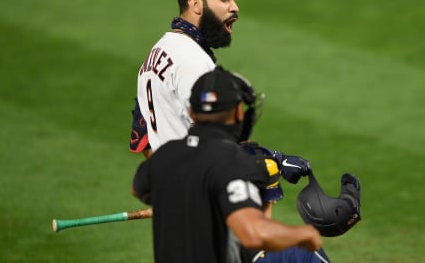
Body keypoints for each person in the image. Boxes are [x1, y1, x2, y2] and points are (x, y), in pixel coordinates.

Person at [132, 67, 323, 263]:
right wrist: (303, 233)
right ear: (239, 112)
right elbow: (253, 233)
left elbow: (138, 190)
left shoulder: (166, 155)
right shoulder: (234, 162)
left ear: (191, 112)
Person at [130, 0, 239, 158]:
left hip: (165, 181)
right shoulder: (192, 61)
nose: (234, 7)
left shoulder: (157, 51)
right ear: (195, 5)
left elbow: (143, 138)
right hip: (193, 183)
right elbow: (214, 142)